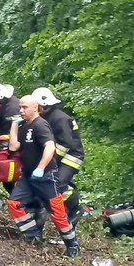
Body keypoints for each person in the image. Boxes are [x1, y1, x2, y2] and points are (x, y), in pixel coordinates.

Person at [6, 95, 80, 258]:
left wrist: (40, 168)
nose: (21, 110)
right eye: (20, 107)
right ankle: (32, 236)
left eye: (24, 107)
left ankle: (72, 244)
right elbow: (14, 146)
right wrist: (14, 126)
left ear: (35, 108)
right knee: (14, 203)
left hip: (45, 176)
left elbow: (50, 146)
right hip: (28, 177)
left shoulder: (41, 125)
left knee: (57, 213)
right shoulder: (25, 126)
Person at [32, 87, 85, 225]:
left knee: (57, 183)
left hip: (72, 156)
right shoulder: (45, 117)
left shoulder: (60, 118)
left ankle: (75, 208)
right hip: (57, 156)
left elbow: (65, 144)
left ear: (44, 105)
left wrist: (50, 160)